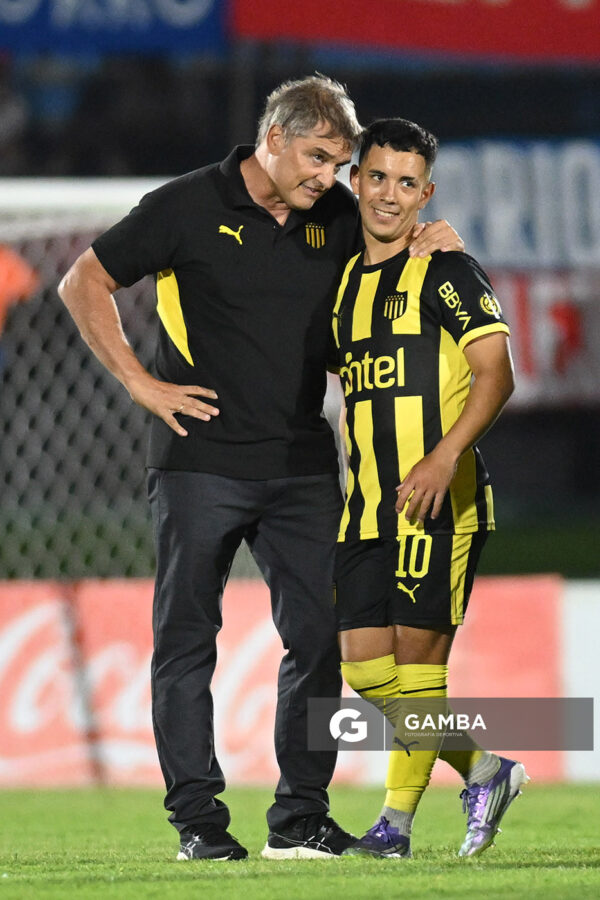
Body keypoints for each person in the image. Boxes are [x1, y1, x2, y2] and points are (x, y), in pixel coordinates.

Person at [58, 76, 462, 862]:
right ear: (273, 138)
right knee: (186, 643)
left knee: (321, 639)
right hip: (197, 463)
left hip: (304, 465)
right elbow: (85, 281)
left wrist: (435, 241)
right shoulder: (184, 204)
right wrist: (141, 383)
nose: (328, 178)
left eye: (339, 164)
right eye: (317, 159)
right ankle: (198, 824)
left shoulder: (338, 217)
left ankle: (301, 818)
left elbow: (397, 254)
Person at [331, 118, 528, 859]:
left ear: (426, 193)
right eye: (377, 176)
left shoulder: (448, 271)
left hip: (439, 504)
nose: (389, 195)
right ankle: (483, 767)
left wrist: (445, 456)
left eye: (406, 182)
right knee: (363, 670)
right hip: (367, 506)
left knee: (416, 670)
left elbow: (497, 372)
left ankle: (395, 826)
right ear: (356, 181)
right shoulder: (345, 282)